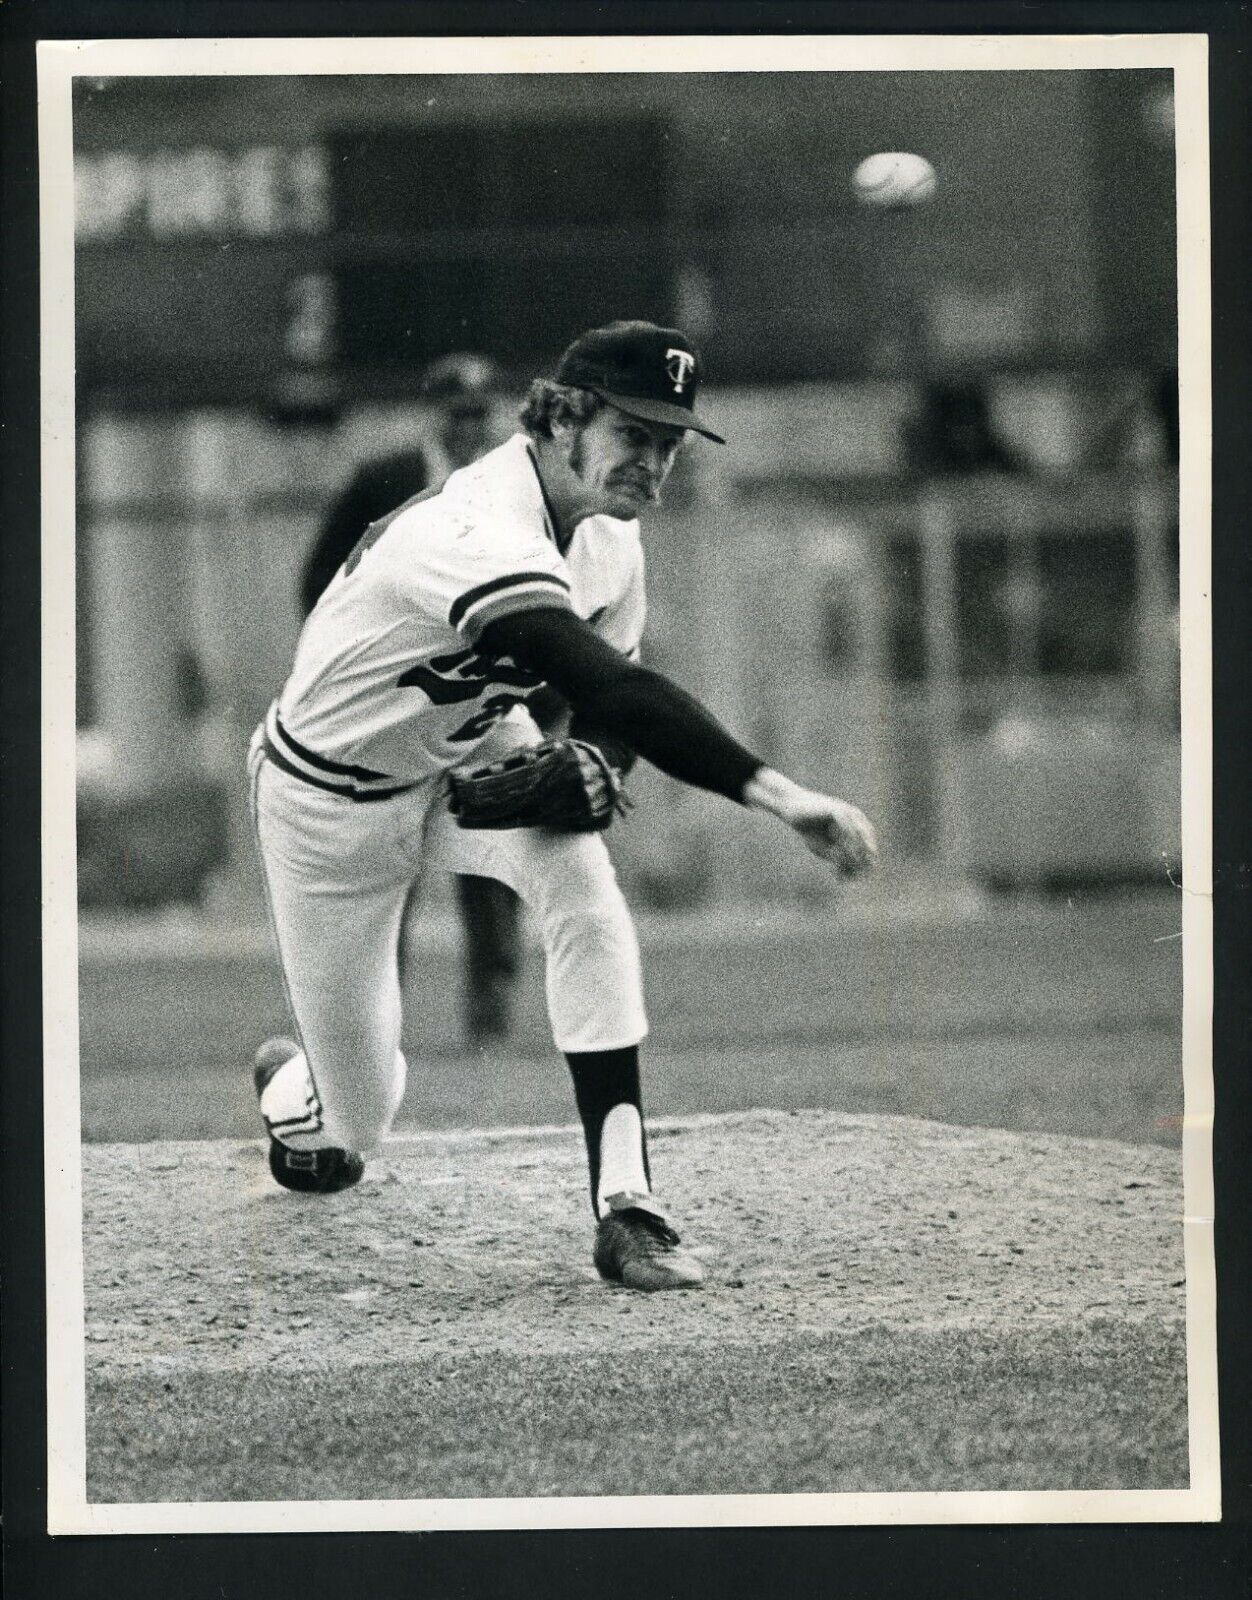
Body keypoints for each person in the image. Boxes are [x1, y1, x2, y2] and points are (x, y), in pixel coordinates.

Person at [248, 320, 877, 1291]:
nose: (655, 464)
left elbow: (606, 708)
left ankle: (627, 1205)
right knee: (357, 1122)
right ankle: (296, 1092)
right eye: (636, 434)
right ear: (561, 415)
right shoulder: (466, 530)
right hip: (327, 798)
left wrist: (595, 761)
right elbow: (618, 687)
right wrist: (779, 794)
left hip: (467, 755)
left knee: (584, 882)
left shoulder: (609, 544)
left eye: (670, 442)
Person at [300, 353, 523, 1042]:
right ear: (436, 414)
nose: (470, 427)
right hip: (396, 700)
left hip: (477, 694)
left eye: (479, 414)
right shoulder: (385, 481)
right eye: (459, 413)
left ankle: (491, 997)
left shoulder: (510, 485)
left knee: (485, 845)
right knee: (386, 852)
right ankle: (378, 1010)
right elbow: (318, 579)